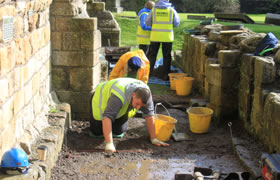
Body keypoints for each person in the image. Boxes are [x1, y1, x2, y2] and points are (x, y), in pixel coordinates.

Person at [89, 78, 169, 152]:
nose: (138, 108)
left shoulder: (146, 95)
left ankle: (112, 125)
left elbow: (149, 114)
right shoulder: (118, 95)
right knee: (97, 132)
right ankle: (101, 127)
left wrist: (153, 138)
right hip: (100, 100)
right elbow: (107, 116)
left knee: (119, 131)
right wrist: (109, 143)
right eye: (137, 104)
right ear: (133, 95)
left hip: (120, 107)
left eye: (141, 106)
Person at [145, 0, 180, 80]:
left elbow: (147, 22)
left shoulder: (154, 10)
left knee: (152, 55)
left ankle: (148, 74)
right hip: (167, 37)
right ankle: (166, 76)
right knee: (167, 56)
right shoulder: (171, 10)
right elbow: (177, 23)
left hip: (155, 36)